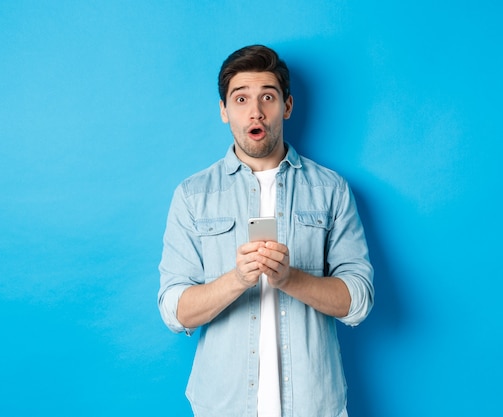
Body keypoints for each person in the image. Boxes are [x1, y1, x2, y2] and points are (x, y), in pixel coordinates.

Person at [158, 44, 374, 417]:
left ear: (286, 106)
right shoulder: (193, 196)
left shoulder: (331, 190)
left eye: (268, 97)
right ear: (224, 111)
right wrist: (238, 279)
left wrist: (289, 278)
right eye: (240, 99)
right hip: (222, 406)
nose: (255, 111)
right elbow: (174, 311)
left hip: (314, 405)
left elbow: (358, 300)